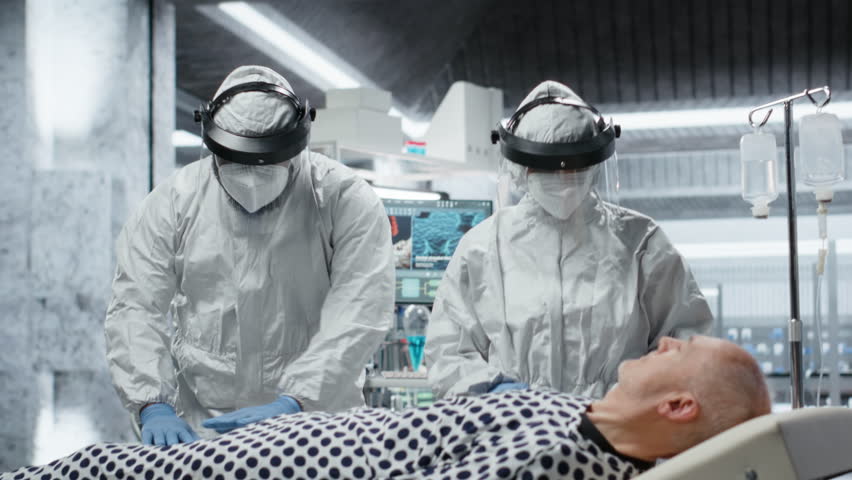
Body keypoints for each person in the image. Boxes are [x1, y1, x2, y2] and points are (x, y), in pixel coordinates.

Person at [103, 65, 395, 445]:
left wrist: (297, 399)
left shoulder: (343, 199)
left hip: (316, 425)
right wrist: (151, 402)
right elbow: (136, 306)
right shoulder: (172, 204)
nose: (252, 179)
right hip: (205, 428)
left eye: (267, 166)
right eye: (235, 165)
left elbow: (359, 310)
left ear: (296, 146)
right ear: (212, 146)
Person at [1, 336, 771, 479]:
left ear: (676, 406)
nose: (664, 337)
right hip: (209, 452)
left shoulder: (556, 461)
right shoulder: (578, 413)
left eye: (682, 348)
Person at [425, 80, 713, 399]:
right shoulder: (482, 248)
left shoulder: (641, 243)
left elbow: (687, 343)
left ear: (593, 166)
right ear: (520, 169)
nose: (562, 183)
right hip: (513, 431)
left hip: (615, 429)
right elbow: (447, 353)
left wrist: (632, 398)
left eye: (572, 171)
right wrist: (501, 392)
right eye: (547, 172)